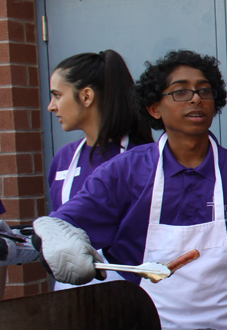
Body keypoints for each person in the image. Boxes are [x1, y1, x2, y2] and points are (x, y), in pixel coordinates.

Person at [32, 50, 227, 329]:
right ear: (154, 108)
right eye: (180, 92)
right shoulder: (125, 172)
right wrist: (57, 239)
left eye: (204, 91)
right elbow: (63, 224)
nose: (196, 98)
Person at [46, 50, 154, 290]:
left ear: (86, 96)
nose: (50, 107)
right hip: (70, 293)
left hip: (132, 292)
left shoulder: (143, 159)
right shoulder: (63, 159)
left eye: (56, 95)